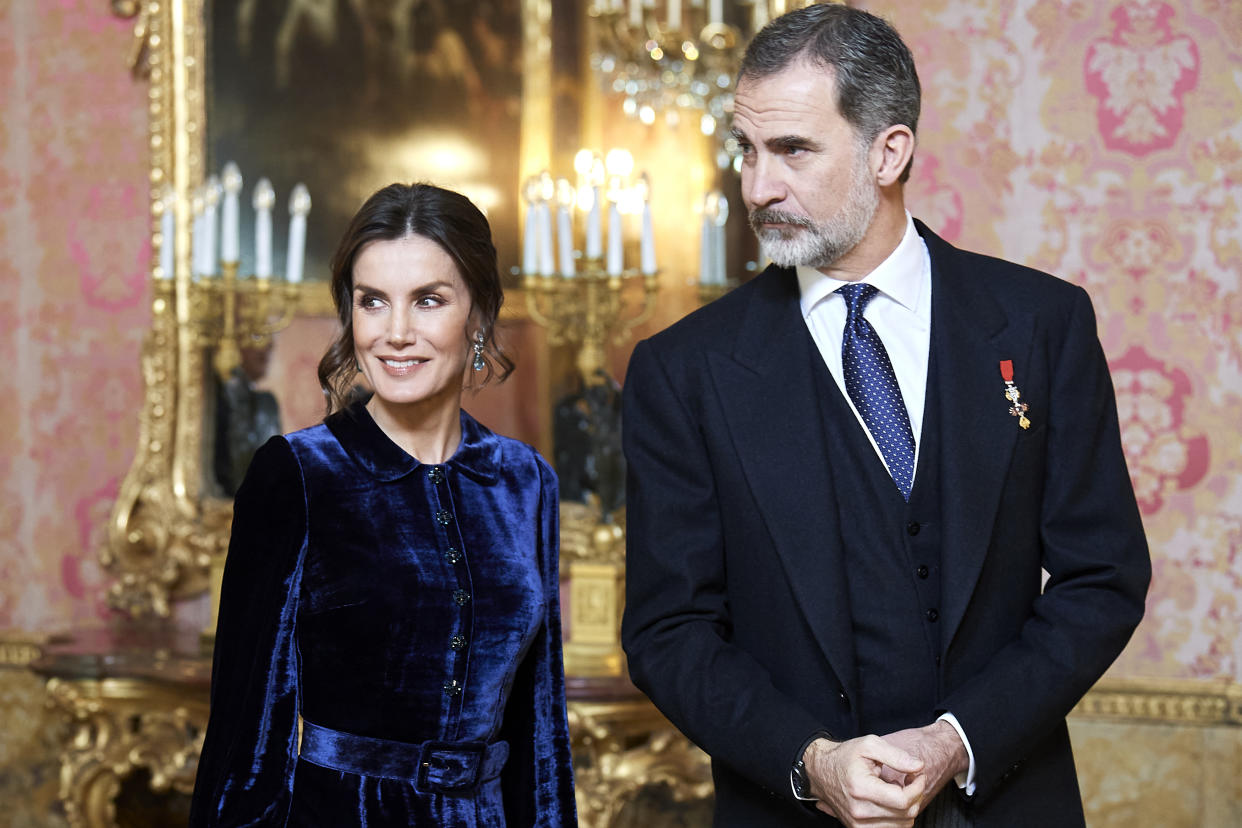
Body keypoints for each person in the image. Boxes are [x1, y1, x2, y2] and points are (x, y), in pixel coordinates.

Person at [620, 6, 1149, 828]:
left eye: (793, 150)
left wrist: (957, 741)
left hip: (1009, 807)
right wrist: (810, 763)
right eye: (747, 150)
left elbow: (1102, 579)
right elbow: (668, 631)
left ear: (889, 151)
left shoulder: (1041, 324)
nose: (758, 187)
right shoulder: (682, 370)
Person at [190, 182, 576, 827]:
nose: (396, 334)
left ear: (477, 315)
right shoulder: (297, 474)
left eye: (428, 301)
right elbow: (246, 729)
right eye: (373, 302)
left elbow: (540, 726)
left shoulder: (525, 480)